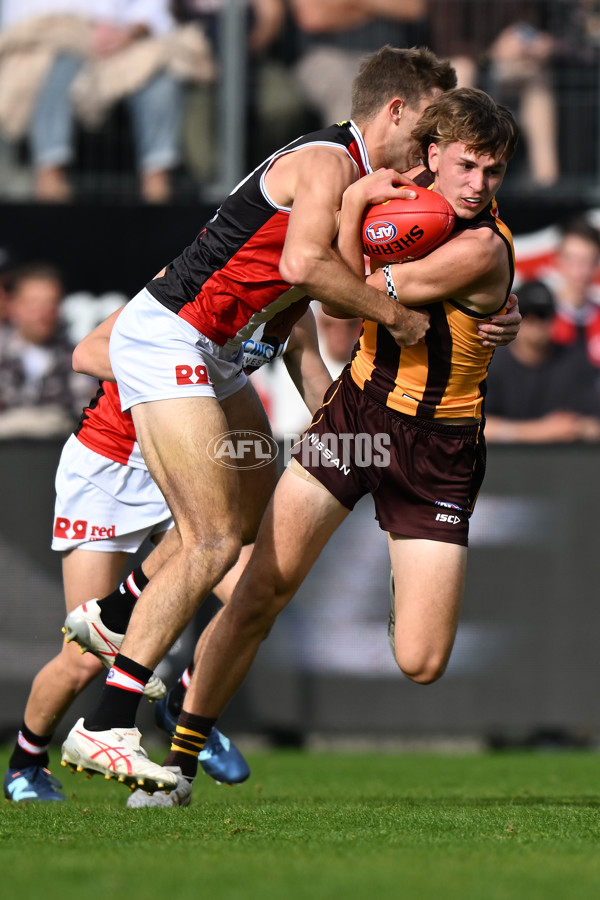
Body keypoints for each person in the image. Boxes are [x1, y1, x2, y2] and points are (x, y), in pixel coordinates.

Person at [60, 80, 521, 799]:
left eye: (492, 172)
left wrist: (359, 210)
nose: (478, 183)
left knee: (421, 659)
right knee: (253, 587)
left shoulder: (483, 246)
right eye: (467, 166)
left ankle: (122, 622)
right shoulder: (393, 195)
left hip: (439, 449)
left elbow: (349, 282)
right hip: (356, 418)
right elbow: (331, 288)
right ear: (434, 154)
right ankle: (176, 761)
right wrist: (362, 209)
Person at [4, 302, 331, 802]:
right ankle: (26, 761)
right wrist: (178, 384)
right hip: (110, 466)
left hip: (189, 462)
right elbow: (87, 353)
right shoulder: (200, 280)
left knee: (253, 599)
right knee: (89, 653)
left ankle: (184, 702)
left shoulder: (294, 311)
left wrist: (367, 450)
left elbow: (321, 398)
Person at [0, 1, 212, 202]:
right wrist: (82, 33)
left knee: (161, 78)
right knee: (56, 67)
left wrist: (129, 33)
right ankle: (50, 178)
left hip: (128, 45)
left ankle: (156, 186)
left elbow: (153, 8)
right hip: (64, 44)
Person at [484, 279, 600, 443]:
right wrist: (540, 431)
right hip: (504, 462)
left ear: (553, 318)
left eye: (542, 314)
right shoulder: (491, 363)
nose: (535, 323)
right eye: (527, 315)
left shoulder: (573, 360)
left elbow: (595, 424)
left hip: (563, 463)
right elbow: (476, 427)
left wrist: (577, 427)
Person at [0, 262, 95, 438]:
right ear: (14, 306)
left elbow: (86, 412)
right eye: (34, 303)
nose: (43, 313)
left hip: (52, 456)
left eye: (51, 303)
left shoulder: (76, 358)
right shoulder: (2, 351)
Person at [542, 218, 600, 369]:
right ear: (558, 260)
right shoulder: (542, 319)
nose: (580, 271)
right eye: (573, 260)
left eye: (587, 261)